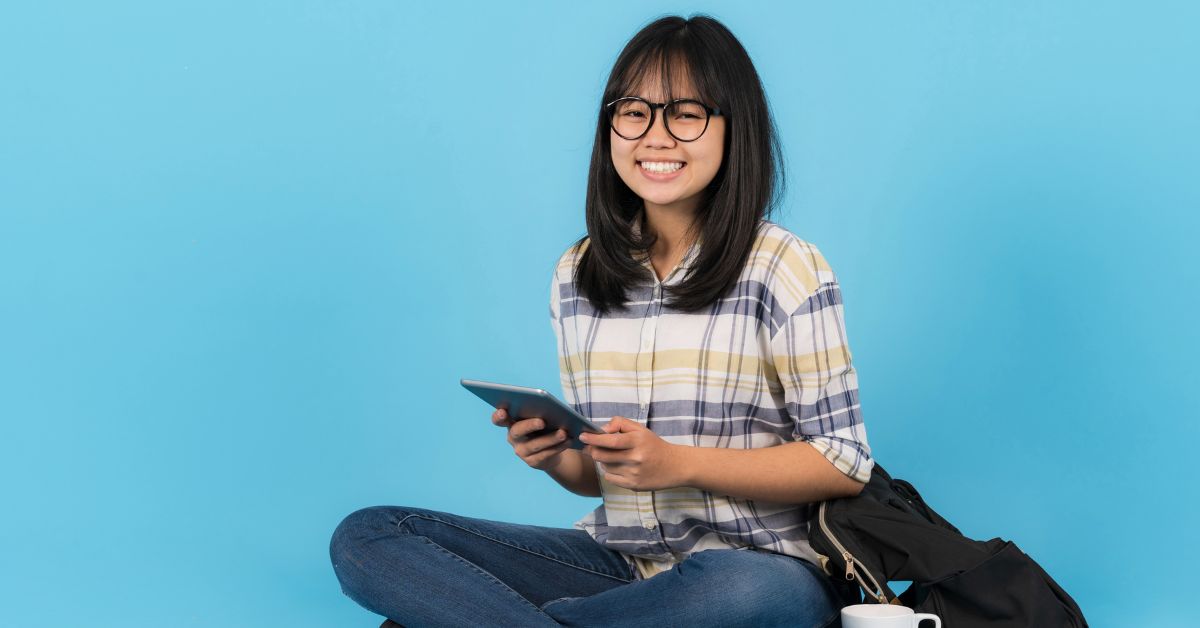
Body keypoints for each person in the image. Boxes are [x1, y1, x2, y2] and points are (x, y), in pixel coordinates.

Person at [330, 13, 873, 627]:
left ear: (733, 127)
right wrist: (561, 458)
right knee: (369, 536)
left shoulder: (785, 267)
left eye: (687, 113)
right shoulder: (579, 274)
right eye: (634, 111)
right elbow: (604, 480)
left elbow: (842, 462)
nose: (656, 136)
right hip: (618, 567)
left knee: (751, 591)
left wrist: (681, 463)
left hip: (758, 569)